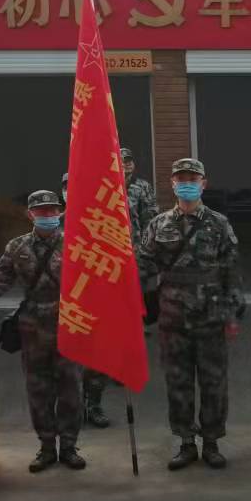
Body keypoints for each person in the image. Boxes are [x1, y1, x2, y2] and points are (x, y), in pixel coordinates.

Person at [138, 158, 242, 471]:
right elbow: (142, 265)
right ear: (172, 184)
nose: (186, 184)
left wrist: (232, 315)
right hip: (172, 318)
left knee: (213, 384)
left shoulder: (219, 224)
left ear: (203, 184)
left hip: (211, 317)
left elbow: (231, 272)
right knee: (178, 383)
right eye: (181, 179)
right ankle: (186, 442)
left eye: (192, 179)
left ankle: (211, 443)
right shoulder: (158, 224)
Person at [0, 190, 85, 473]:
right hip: (33, 327)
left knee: (71, 389)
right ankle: (46, 447)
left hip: (69, 324)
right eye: (41, 211)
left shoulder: (76, 243)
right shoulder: (17, 246)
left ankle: (69, 446)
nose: (47, 215)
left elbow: (94, 280)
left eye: (52, 210)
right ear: (30, 214)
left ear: (60, 212)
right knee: (38, 390)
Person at [83, 147, 160, 429]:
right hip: (103, 262)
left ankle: (122, 367)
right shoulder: (99, 186)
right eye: (120, 161)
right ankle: (96, 390)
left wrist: (147, 254)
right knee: (104, 325)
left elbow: (151, 220)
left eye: (128, 161)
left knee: (130, 318)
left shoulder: (142, 188)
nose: (125, 165)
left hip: (133, 260)